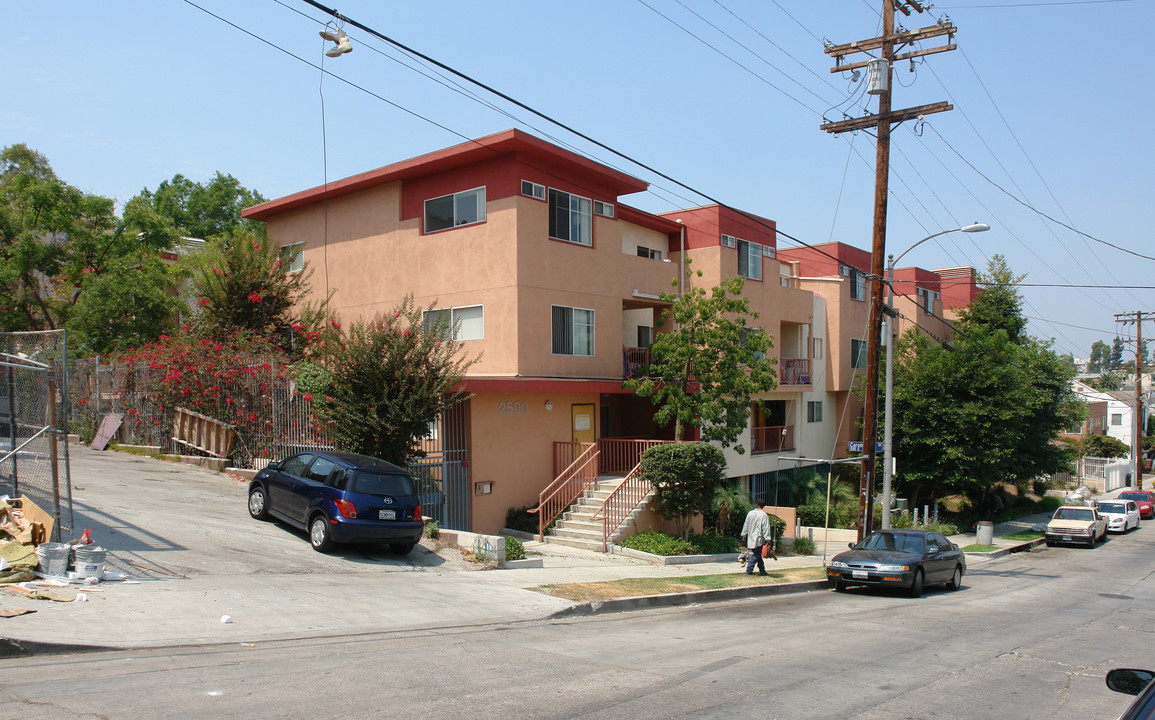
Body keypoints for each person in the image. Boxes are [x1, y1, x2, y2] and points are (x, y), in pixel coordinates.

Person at [740, 498, 773, 576]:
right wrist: (768, 538)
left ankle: (762, 571)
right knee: (756, 555)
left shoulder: (750, 513)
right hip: (759, 538)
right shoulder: (763, 515)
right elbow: (765, 528)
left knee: (757, 554)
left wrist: (744, 535)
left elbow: (746, 525)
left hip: (751, 538)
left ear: (756, 504)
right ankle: (749, 570)